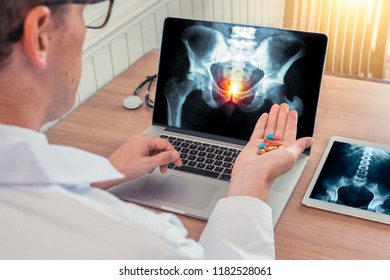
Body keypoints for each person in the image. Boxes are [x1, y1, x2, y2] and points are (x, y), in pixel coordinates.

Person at [0, 0, 314, 259]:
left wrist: (99, 174)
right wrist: (251, 182)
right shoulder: (148, 247)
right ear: (40, 36)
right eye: (82, 14)